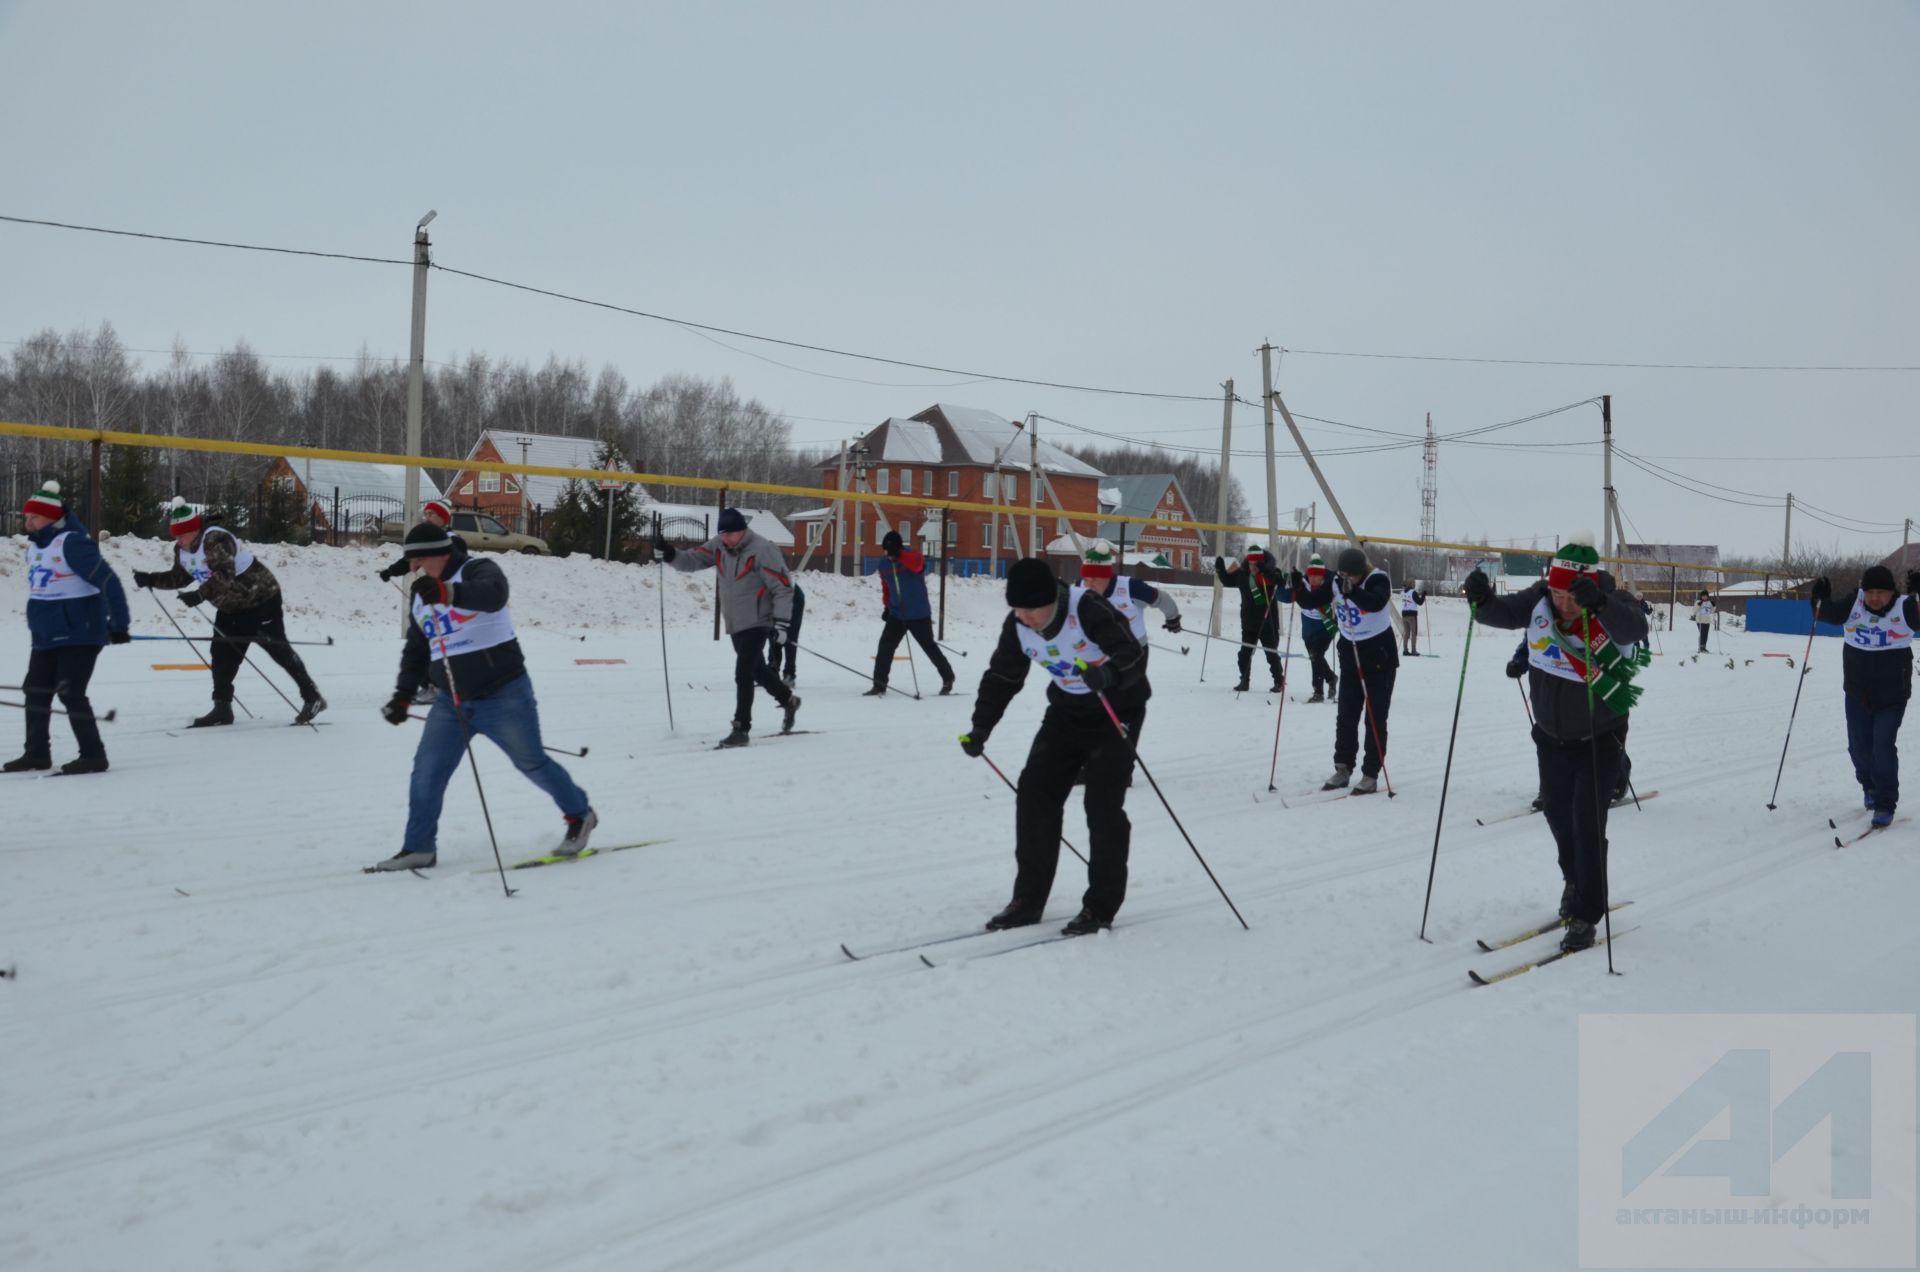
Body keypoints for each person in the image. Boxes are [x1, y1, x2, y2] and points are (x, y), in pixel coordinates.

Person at [370, 523, 596, 870]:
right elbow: (417, 650)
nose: (414, 568)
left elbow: (494, 595)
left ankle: (580, 815)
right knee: (427, 771)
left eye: (418, 560)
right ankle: (418, 847)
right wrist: (402, 696)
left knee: (531, 762)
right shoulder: (420, 594)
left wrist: (447, 593)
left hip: (503, 694)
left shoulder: (478, 569)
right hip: (450, 701)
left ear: (438, 554)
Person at [1464, 534, 1650, 952]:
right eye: (1557, 592)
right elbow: (1498, 614)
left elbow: (1636, 626)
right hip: (1550, 736)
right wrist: (1480, 599)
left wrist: (1598, 605)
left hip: (1600, 736)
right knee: (1558, 818)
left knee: (1587, 823)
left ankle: (1586, 912)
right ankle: (1574, 880)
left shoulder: (1608, 601)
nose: (1562, 602)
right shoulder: (1540, 598)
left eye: (1571, 595)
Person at [958, 557, 1149, 936]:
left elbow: (1133, 656)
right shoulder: (1017, 626)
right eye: (1017, 608)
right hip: (1066, 711)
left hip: (1115, 709)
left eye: (1031, 608)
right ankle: (1027, 900)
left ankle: (1100, 906)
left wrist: (1107, 674)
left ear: (1052, 600)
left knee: (1102, 806)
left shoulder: (1087, 607)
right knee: (1034, 795)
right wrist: (981, 727)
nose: (1024, 616)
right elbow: (1001, 676)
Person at [132, 499, 326, 727]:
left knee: (278, 650)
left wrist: (199, 595)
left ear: (194, 529)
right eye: (175, 536)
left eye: (181, 535)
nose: (178, 540)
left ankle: (312, 697)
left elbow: (225, 574)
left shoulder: (215, 539)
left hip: (260, 599)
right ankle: (222, 708)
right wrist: (152, 579)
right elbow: (180, 576)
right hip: (230, 608)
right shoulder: (182, 550)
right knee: (221, 654)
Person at [7, 481, 130, 775]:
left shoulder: (72, 543)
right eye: (26, 517)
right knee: (35, 691)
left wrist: (119, 624)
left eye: (33, 517)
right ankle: (36, 754)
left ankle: (93, 756)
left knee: (71, 692)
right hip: (46, 636)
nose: (28, 522)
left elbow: (108, 581)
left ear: (50, 516)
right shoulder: (35, 547)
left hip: (80, 633)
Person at [656, 507, 798, 747]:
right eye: (722, 534)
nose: (726, 539)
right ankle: (788, 700)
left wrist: (782, 623)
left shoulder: (763, 550)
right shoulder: (719, 546)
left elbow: (783, 587)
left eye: (730, 534)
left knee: (742, 673)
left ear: (742, 531)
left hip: (759, 620)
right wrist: (670, 554)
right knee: (757, 670)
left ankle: (741, 728)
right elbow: (693, 560)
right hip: (735, 621)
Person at [1811, 565, 1918, 829]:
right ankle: (1869, 787)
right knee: (1859, 747)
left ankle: (1884, 803)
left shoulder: (1904, 608)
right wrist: (1818, 597)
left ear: (1892, 593)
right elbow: (1825, 614)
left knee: (1882, 746)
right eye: (1870, 591)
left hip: (1892, 695)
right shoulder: (1855, 603)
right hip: (1858, 691)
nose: (1874, 598)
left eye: (1881, 592)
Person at [1292, 546, 1397, 794]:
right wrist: (1297, 587)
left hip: (1379, 658)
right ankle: (1343, 767)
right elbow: (1310, 600)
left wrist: (1355, 593)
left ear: (1361, 572)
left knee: (1374, 717)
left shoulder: (1378, 579)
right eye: (1343, 575)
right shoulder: (1336, 582)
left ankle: (1371, 773)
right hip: (1350, 654)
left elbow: (1375, 602)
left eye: (1351, 576)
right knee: (1346, 714)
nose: (1346, 580)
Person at [864, 530, 955, 697]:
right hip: (897, 614)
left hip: (918, 613)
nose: (888, 555)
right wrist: (886, 607)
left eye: (890, 552)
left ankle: (948, 677)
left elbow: (918, 565)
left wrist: (899, 555)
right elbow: (886, 587)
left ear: (898, 550)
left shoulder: (912, 557)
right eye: (886, 552)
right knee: (885, 646)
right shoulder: (883, 563)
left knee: (929, 647)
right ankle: (879, 684)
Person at [1079, 540, 1180, 669]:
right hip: (1097, 650)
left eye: (1094, 579)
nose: (1088, 585)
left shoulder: (1131, 588)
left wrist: (1173, 618)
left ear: (1106, 577)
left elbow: (1162, 599)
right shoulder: (1079, 588)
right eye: (1086, 579)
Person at [1213, 544, 1287, 693]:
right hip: (1248, 622)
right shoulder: (1242, 574)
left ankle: (1279, 681)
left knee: (1271, 654)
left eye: (1256, 564)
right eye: (1251, 563)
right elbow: (1228, 581)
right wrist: (1221, 570)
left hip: (1267, 622)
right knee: (1244, 654)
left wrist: (1266, 571)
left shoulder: (1269, 573)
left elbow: (1280, 581)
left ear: (1261, 563)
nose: (1253, 567)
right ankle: (1244, 680)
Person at [378, 498, 459, 581]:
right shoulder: (427, 538)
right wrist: (390, 572)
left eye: (430, 514)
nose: (427, 518)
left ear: (443, 518)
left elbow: (456, 571)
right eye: (426, 514)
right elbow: (409, 560)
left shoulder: (454, 541)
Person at [1297, 553, 1338, 703]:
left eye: (1317, 575)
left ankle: (1318, 692)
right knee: (1315, 658)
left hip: (1325, 627)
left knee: (1316, 655)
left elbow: (1339, 602)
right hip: (1308, 628)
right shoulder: (1303, 583)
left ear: (1323, 576)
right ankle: (1331, 677)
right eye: (1311, 575)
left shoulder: (1330, 585)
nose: (1313, 578)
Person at [766, 581, 804, 687]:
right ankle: (773, 669)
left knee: (788, 637)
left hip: (793, 597)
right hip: (776, 597)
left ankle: (789, 674)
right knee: (773, 633)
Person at [1400, 582, 1426, 656]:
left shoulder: (1403, 592)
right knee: (1413, 633)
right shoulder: (1413, 592)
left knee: (1406, 633)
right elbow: (1420, 602)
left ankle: (1405, 650)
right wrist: (1423, 595)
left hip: (1404, 615)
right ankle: (1413, 651)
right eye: (1414, 584)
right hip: (1411, 615)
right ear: (1412, 585)